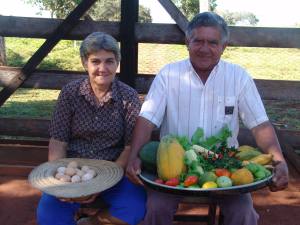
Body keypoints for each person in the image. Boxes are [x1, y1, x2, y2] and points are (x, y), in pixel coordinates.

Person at [126, 12, 289, 225]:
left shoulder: (238, 77)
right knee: (157, 209)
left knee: (244, 214)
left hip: (226, 166)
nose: (204, 49)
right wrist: (134, 156)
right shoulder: (168, 74)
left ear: (224, 46)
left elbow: (260, 124)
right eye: (198, 41)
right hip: (173, 166)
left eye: (213, 42)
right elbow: (147, 119)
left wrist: (279, 160)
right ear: (187, 42)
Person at [37, 32, 146, 225]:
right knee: (48, 215)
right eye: (95, 61)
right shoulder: (70, 93)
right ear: (84, 63)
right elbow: (58, 140)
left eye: (109, 61)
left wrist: (102, 183)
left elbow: (129, 147)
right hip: (73, 172)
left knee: (135, 208)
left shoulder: (128, 97)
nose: (102, 68)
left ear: (117, 63)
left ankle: (91, 222)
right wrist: (63, 183)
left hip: (114, 173)